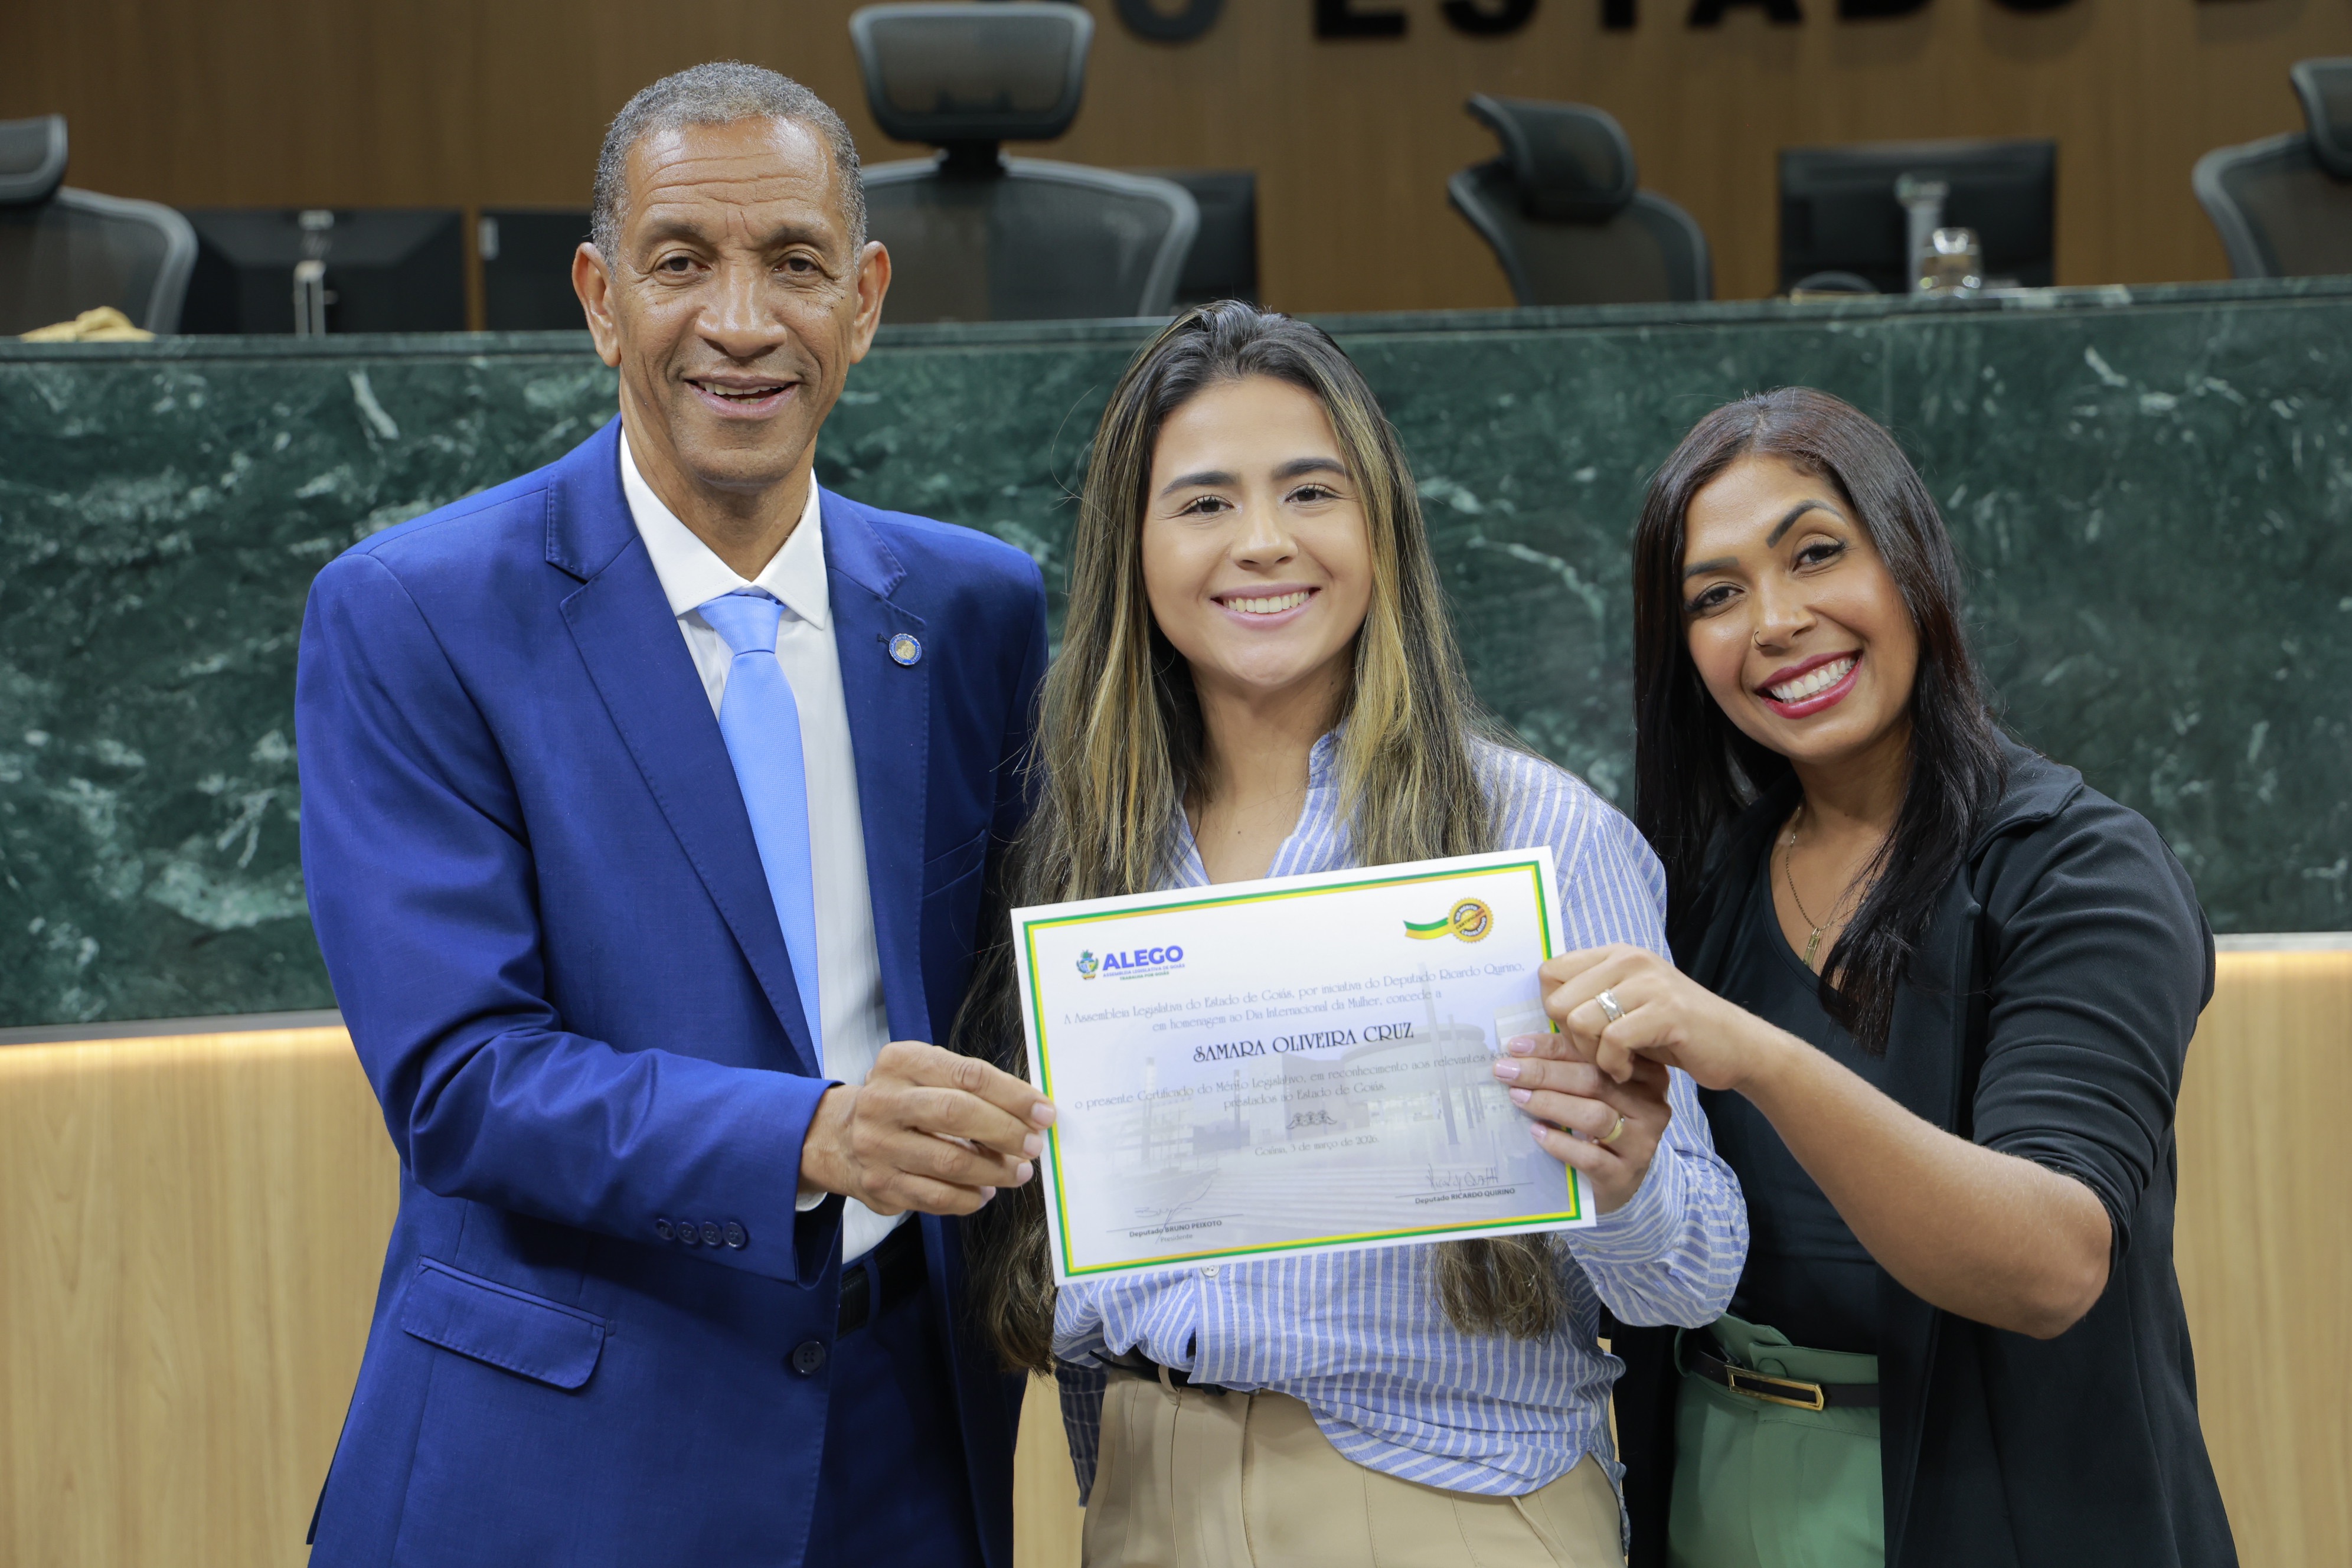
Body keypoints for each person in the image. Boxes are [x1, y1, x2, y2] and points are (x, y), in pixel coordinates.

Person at [295, 63, 1056, 1568]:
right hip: (564, 1461)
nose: (742, 321)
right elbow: (460, 1080)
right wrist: (818, 1134)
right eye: (682, 262)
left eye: (796, 264)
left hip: (908, 1444)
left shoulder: (977, 606)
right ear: (600, 298)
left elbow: (1030, 983)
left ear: (865, 301)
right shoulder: (414, 613)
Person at [957, 302, 1748, 1568]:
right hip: (1145, 1496)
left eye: (1311, 491)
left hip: (1448, 1501)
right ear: (1133, 549)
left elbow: (1692, 1275)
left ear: (1382, 525)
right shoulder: (1082, 849)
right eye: (1205, 503)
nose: (1263, 541)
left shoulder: (1539, 833)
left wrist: (1623, 1172)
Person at [1510, 388, 2236, 1567]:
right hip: (1714, 1486)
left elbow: (2053, 1264)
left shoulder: (2079, 867)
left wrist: (1760, 1055)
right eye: (1715, 595)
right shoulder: (1702, 883)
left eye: (1815, 554)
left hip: (1986, 1509)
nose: (1776, 621)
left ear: (1911, 561)